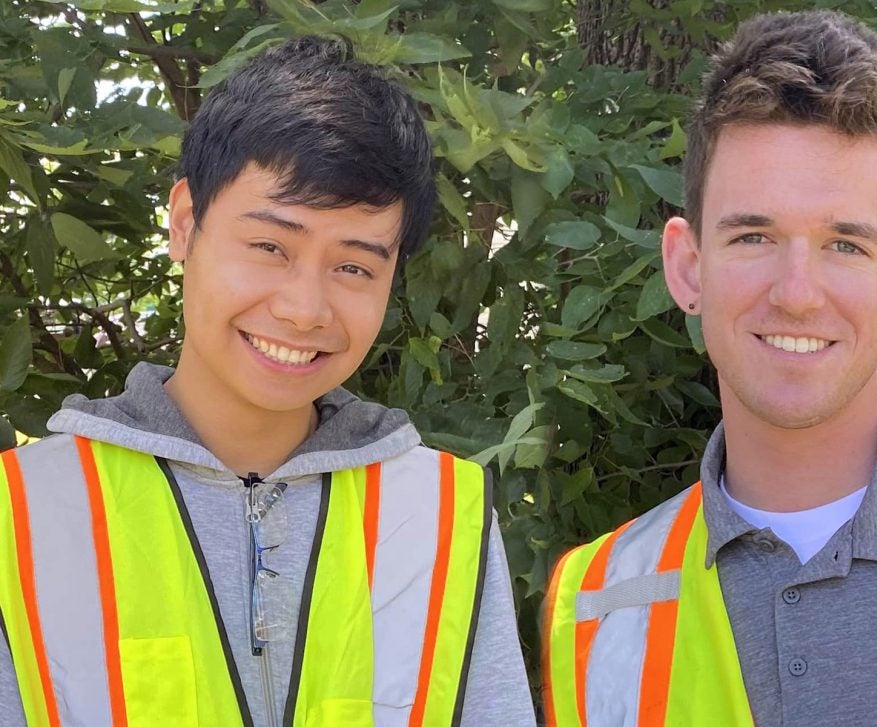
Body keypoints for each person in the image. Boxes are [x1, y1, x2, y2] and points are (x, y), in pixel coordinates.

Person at [543, 10, 877, 726]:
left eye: (845, 245)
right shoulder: (590, 603)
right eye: (753, 236)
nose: (796, 293)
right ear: (687, 266)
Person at [0, 36, 535, 726]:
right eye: (269, 246)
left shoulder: (440, 515)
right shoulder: (27, 514)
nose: (304, 308)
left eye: (354, 267)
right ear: (186, 222)